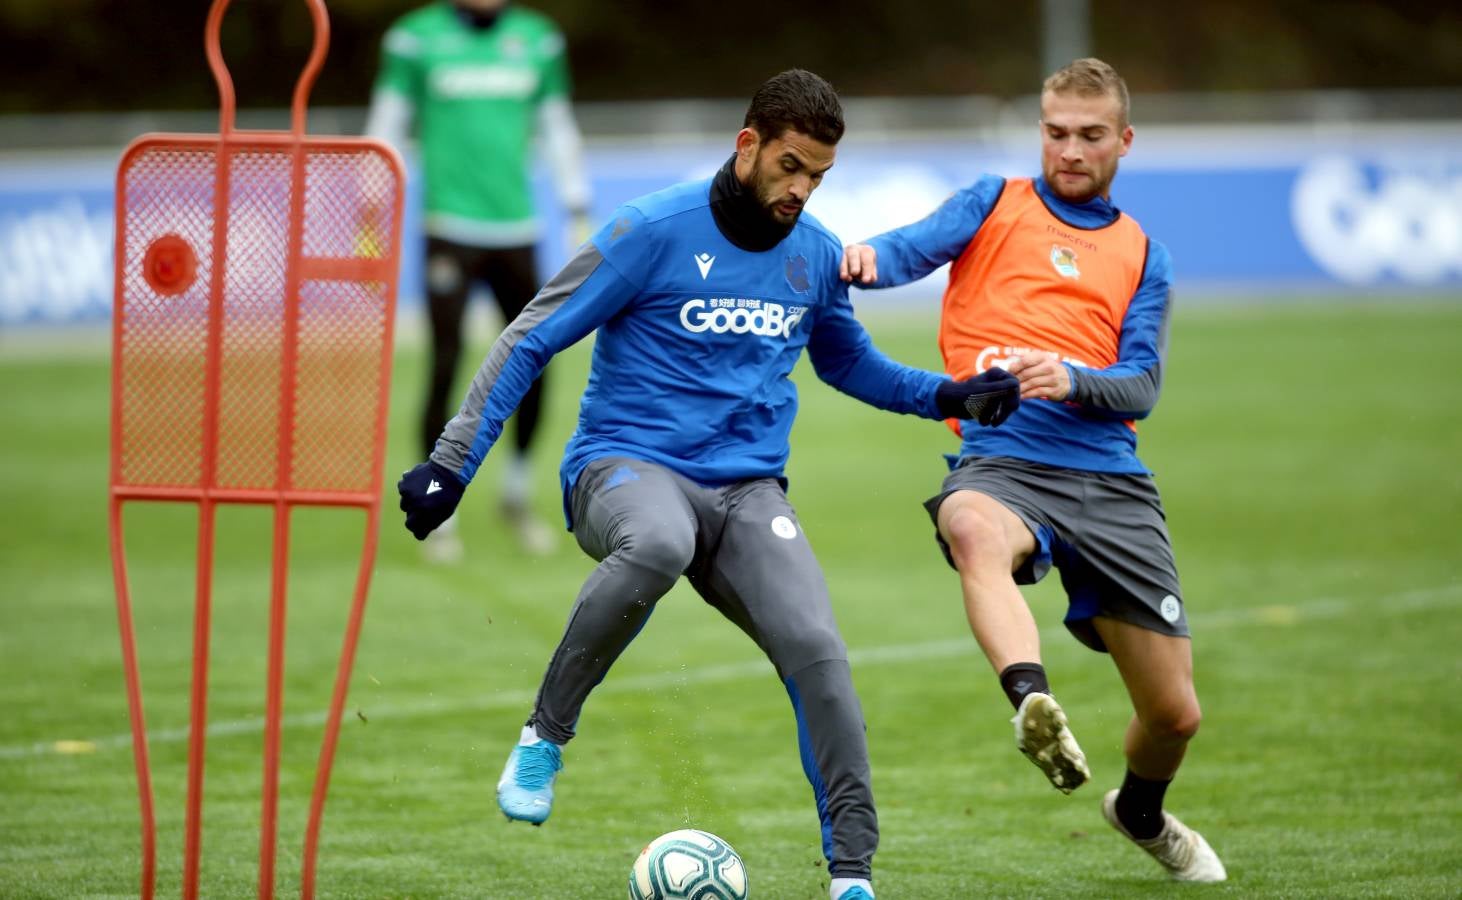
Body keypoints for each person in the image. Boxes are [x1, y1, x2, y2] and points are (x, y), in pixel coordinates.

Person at [397, 69, 1021, 900]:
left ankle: (852, 877)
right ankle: (545, 736)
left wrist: (944, 395)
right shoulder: (653, 229)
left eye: (818, 177)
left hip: (749, 494)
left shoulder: (816, 254)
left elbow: (848, 364)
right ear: (748, 144)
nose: (801, 189)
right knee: (658, 542)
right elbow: (530, 336)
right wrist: (451, 464)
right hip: (622, 468)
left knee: (821, 655)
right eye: (791, 166)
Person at [840, 58, 1226, 883]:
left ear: (1123, 141)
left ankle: (1140, 812)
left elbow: (1144, 385)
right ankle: (1032, 703)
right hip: (1005, 460)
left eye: (1090, 136)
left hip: (1110, 478)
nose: (1070, 150)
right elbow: (913, 248)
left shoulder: (1142, 254)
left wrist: (1074, 378)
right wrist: (866, 257)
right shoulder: (994, 201)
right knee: (971, 524)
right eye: (1056, 133)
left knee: (1174, 714)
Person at [366, 0, 593, 560]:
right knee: (447, 360)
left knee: (536, 358)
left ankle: (516, 491)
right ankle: (438, 506)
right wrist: (370, 212)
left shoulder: (538, 40)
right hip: (447, 226)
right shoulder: (415, 39)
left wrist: (575, 204)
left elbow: (556, 126)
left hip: (517, 228)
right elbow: (386, 126)